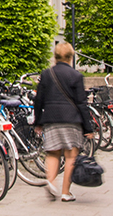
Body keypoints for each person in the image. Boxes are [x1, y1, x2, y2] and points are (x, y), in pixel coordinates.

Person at [33, 42, 96, 202]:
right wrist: (88, 128)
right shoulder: (76, 76)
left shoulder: (46, 74)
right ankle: (65, 193)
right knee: (70, 156)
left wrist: (38, 122)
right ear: (70, 57)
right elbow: (82, 103)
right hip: (71, 120)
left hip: (51, 119)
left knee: (52, 153)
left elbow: (39, 99)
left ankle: (51, 181)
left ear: (55, 57)